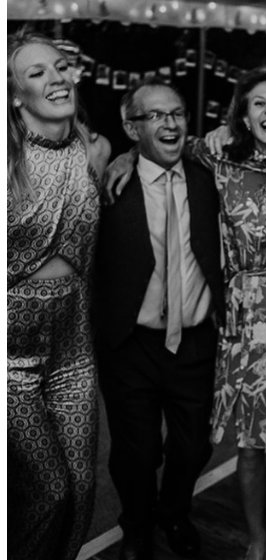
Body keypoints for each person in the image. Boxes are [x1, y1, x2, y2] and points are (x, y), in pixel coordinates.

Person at [107, 66, 266, 560]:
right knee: (248, 436)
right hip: (236, 308)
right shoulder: (218, 158)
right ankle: (257, 535)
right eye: (258, 102)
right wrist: (126, 156)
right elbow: (160, 144)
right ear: (242, 112)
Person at [95, 78, 223, 560]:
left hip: (194, 341)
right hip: (132, 343)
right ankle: (137, 526)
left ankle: (174, 512)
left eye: (177, 113)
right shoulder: (109, 183)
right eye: (156, 116)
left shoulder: (208, 177)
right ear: (131, 126)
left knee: (193, 450)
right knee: (137, 452)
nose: (170, 123)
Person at [7, 30, 110, 560]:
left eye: (60, 67)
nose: (56, 78)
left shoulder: (94, 149)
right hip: (9, 360)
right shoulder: (7, 162)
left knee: (82, 492)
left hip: (72, 346)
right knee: (47, 494)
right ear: (13, 95)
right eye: (36, 73)